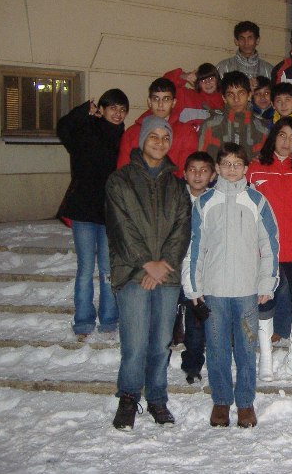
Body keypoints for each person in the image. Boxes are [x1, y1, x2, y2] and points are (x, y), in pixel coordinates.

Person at [182, 142, 279, 428]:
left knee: (246, 350)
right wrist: (194, 287)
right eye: (226, 164)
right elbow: (194, 247)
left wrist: (267, 283)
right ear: (217, 168)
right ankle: (221, 401)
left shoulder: (257, 201)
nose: (232, 169)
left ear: (246, 168)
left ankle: (245, 403)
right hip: (214, 292)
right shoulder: (204, 203)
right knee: (217, 349)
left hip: (247, 291)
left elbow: (270, 245)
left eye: (237, 164)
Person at [106, 115, 191, 430]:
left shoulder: (177, 185)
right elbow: (120, 228)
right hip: (132, 273)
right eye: (153, 136)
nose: (159, 142)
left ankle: (157, 398)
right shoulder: (120, 181)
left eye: (165, 137)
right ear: (142, 139)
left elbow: (182, 229)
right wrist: (146, 263)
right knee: (135, 343)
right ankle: (128, 398)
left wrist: (162, 265)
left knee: (160, 343)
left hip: (166, 276)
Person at [57, 89, 128, 341]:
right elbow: (63, 128)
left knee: (108, 270)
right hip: (84, 210)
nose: (118, 114)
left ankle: (109, 319)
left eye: (122, 110)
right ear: (102, 109)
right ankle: (83, 320)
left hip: (110, 213)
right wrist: (82, 111)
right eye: (113, 108)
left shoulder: (124, 139)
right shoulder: (86, 130)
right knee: (86, 268)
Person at [248, 118, 292, 383]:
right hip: (265, 252)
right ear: (273, 137)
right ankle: (265, 358)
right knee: (265, 304)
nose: (287, 142)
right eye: (282, 135)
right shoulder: (255, 169)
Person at [180, 151, 217, 384]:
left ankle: (193, 365)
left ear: (212, 175)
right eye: (192, 170)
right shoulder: (175, 199)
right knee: (166, 324)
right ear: (184, 174)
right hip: (174, 268)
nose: (197, 175)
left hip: (202, 271)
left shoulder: (214, 201)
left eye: (203, 170)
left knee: (196, 323)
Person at [116, 78, 198, 177]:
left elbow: (185, 174)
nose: (160, 104)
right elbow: (122, 173)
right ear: (149, 102)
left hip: (172, 186)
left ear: (174, 102)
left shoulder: (187, 133)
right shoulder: (132, 133)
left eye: (166, 99)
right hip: (135, 186)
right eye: (156, 99)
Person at [198, 71, 269, 161]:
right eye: (230, 95)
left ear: (249, 95)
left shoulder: (263, 129)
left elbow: (266, 163)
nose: (236, 99)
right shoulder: (209, 126)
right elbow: (201, 162)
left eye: (241, 93)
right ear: (224, 98)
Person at [216, 21, 273, 85]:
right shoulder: (223, 67)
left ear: (257, 40)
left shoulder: (269, 70)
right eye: (242, 39)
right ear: (236, 41)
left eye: (250, 38)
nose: (246, 43)